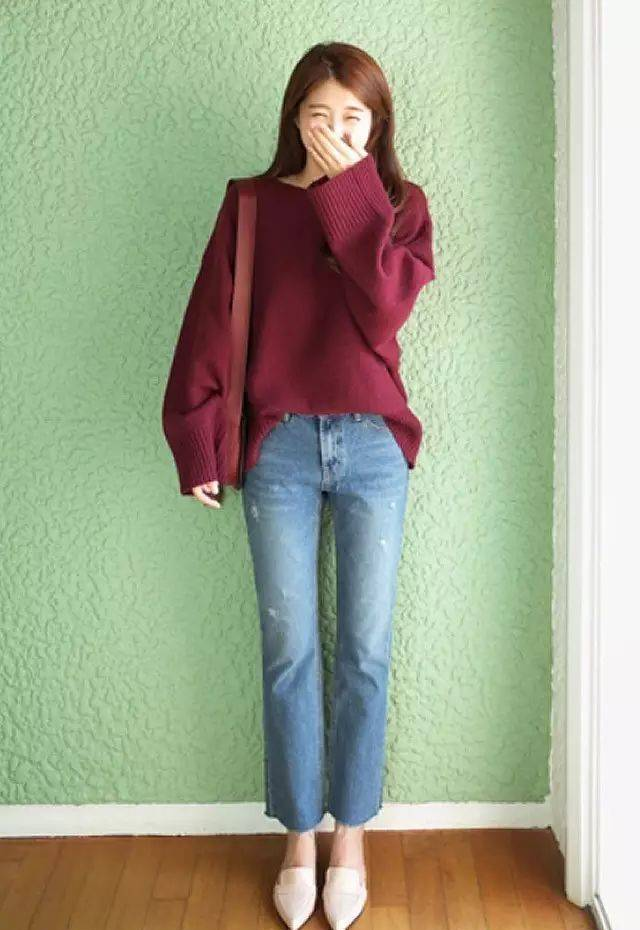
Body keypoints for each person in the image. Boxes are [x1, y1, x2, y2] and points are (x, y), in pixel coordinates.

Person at [162, 40, 436, 930]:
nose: (335, 132)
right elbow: (209, 320)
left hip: (373, 446)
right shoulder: (250, 205)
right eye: (319, 116)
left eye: (353, 118)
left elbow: (384, 309)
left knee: (365, 650)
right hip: (278, 442)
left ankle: (349, 836)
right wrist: (197, 440)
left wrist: (348, 192)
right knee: (289, 652)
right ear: (294, 119)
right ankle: (298, 839)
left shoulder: (401, 208)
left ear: (378, 126)